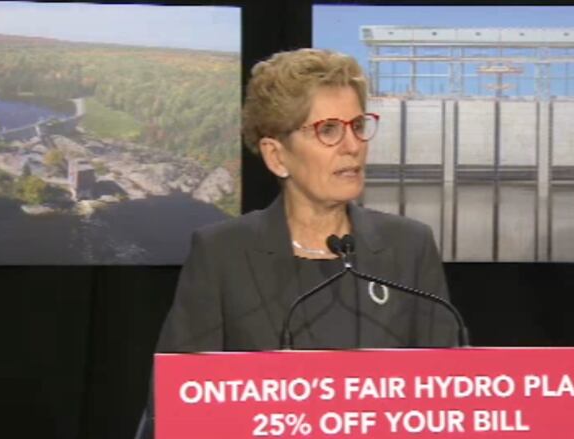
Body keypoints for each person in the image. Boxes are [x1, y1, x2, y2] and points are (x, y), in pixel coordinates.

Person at [135, 48, 457, 438]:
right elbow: (177, 407)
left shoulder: (409, 246)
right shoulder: (222, 254)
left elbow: (449, 400)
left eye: (357, 125)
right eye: (328, 130)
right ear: (277, 155)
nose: (353, 145)